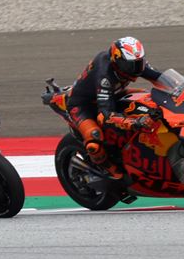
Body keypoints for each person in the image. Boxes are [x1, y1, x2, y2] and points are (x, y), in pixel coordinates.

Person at [66, 36, 163, 179]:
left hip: (114, 94)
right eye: (130, 66)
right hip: (83, 105)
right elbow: (106, 115)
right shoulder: (105, 75)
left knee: (148, 98)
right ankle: (109, 170)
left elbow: (159, 78)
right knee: (94, 137)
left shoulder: (133, 63)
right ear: (116, 61)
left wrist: (182, 90)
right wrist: (134, 123)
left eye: (139, 63)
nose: (135, 70)